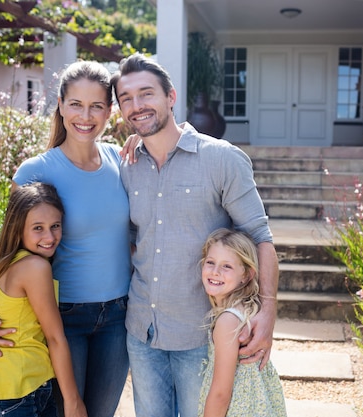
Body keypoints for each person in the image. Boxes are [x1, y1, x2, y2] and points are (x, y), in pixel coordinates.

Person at [111, 52, 279, 417]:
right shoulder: (126, 166)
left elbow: (260, 237)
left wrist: (267, 313)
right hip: (143, 331)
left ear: (171, 97)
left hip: (201, 336)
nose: (137, 106)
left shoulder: (221, 159)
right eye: (127, 98)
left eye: (147, 94)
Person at [0, 60, 132, 417]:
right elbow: (7, 249)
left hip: (119, 315)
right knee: (69, 411)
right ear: (60, 105)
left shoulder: (121, 161)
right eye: (76, 104)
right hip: (64, 317)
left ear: (110, 111)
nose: (86, 115)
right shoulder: (36, 170)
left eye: (97, 105)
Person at [0, 182, 87, 417]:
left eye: (55, 226)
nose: (50, 237)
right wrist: (73, 402)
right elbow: (55, 337)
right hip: (16, 398)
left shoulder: (9, 262)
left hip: (17, 392)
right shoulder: (35, 267)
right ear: (18, 229)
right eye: (38, 228)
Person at [198, 228, 287, 417]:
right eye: (211, 262)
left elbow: (221, 394)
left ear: (246, 275)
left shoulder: (228, 321)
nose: (215, 272)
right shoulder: (246, 310)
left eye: (226, 266)